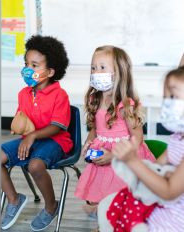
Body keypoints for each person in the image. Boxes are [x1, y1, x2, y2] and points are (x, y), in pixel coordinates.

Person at [74, 46, 156, 223]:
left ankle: (112, 217)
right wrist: (88, 142)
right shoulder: (95, 98)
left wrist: (115, 156)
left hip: (124, 156)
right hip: (102, 150)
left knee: (119, 193)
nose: (96, 72)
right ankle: (101, 214)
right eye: (93, 68)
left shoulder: (126, 104)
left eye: (103, 67)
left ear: (119, 72)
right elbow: (97, 127)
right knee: (100, 189)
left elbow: (137, 138)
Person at [1, 35, 72, 231]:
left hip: (55, 141)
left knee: (35, 165)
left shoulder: (60, 95)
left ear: (50, 71)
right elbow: (22, 120)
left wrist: (31, 136)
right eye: (26, 64)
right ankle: (14, 200)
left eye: (34, 65)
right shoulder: (24, 93)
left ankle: (51, 207)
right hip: (30, 141)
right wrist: (19, 127)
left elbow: (57, 127)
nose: (27, 69)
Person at [111, 66, 184, 231]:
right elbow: (156, 168)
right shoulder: (177, 137)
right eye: (165, 98)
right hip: (160, 215)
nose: (167, 104)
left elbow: (169, 191)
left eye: (173, 96)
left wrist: (132, 160)